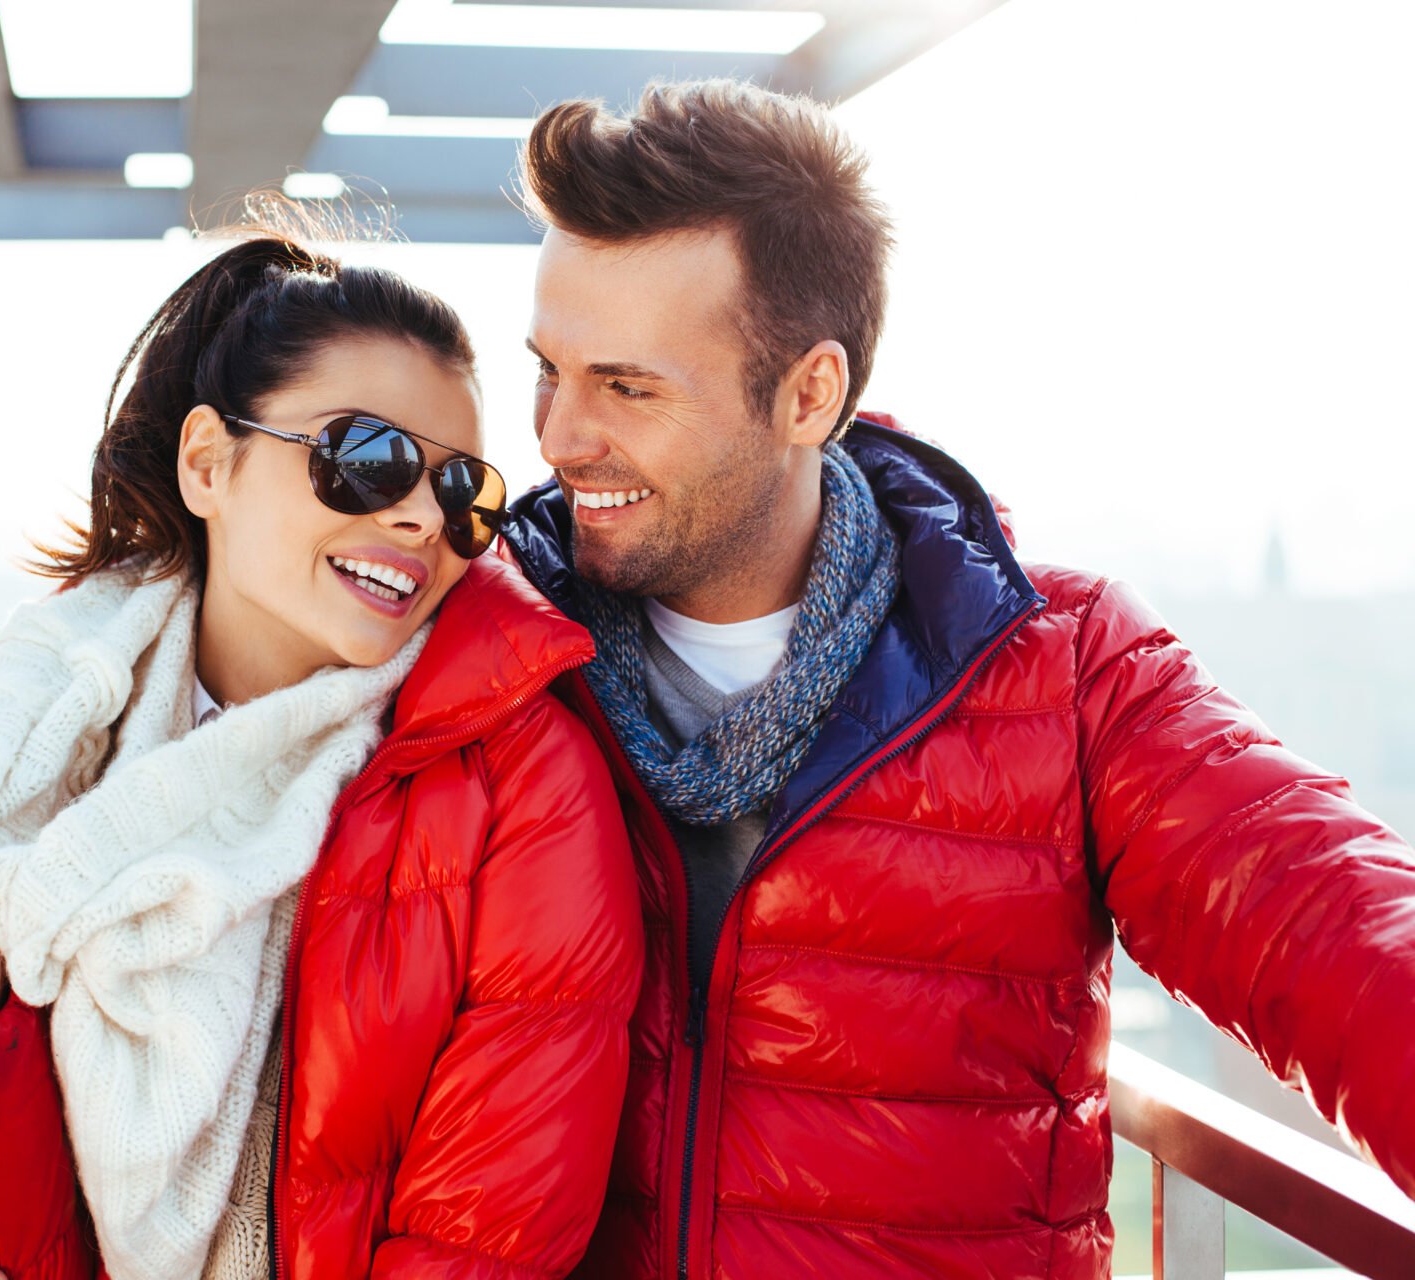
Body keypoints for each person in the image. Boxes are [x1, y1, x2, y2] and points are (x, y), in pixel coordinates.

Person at [498, 80, 1415, 1278]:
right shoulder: (485, 659)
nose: (558, 436)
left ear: (808, 394)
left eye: (627, 387)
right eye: (549, 370)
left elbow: (1329, 924)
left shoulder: (1061, 669)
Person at [0, 232, 642, 1280]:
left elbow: (480, 1245)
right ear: (209, 462)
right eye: (367, 456)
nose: (422, 514)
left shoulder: (521, 785)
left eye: (464, 490)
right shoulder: (36, 725)